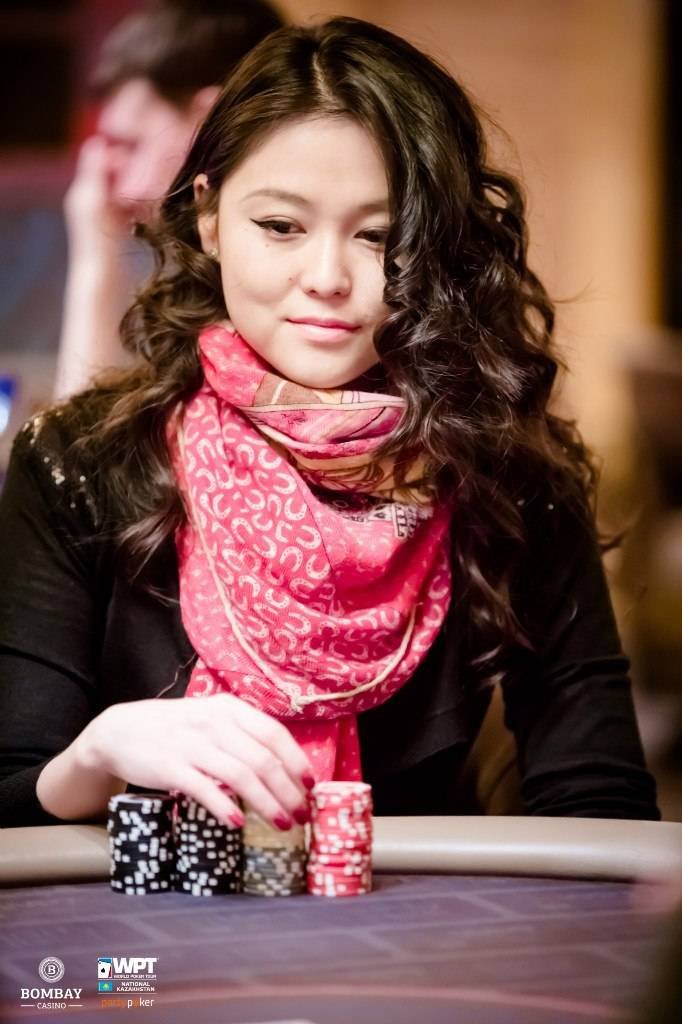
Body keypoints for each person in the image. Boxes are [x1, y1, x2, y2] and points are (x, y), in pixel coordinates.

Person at [0, 16, 660, 829]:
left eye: (380, 235)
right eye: (280, 226)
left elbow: (600, 814)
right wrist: (93, 758)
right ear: (208, 216)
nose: (327, 277)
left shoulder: (506, 475)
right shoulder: (78, 463)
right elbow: (9, 798)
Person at [53, 0, 283, 400]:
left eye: (131, 143)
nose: (113, 179)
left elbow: (77, 436)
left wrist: (95, 259)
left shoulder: (266, 293)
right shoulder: (206, 276)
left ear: (207, 120)